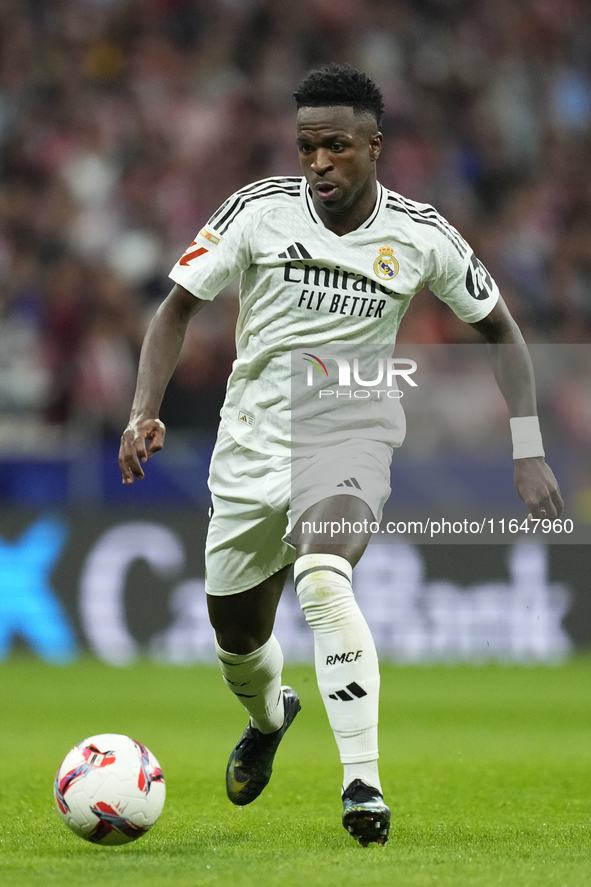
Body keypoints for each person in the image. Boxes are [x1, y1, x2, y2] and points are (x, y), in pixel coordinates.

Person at [118, 63, 563, 847]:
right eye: (305, 147)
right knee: (238, 640)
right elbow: (175, 309)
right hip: (251, 443)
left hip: (350, 431)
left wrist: (526, 446)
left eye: (333, 147)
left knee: (325, 575)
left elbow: (502, 332)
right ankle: (269, 714)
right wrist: (142, 409)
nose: (317, 162)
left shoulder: (421, 235)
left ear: (372, 146)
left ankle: (363, 783)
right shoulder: (257, 212)